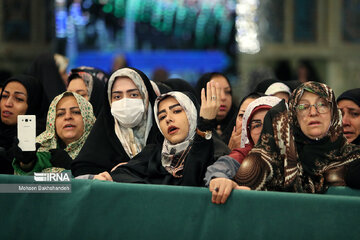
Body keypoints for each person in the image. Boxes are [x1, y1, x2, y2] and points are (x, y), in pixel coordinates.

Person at [233, 82, 360, 192]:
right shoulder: (271, 158)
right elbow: (242, 192)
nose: (313, 112)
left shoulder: (352, 157)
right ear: (293, 116)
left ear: (333, 113)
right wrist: (225, 183)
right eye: (303, 107)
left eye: (322, 105)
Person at [109, 81, 221, 186]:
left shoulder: (215, 152)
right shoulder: (154, 153)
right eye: (162, 117)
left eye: (177, 111)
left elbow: (191, 181)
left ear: (192, 114)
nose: (168, 119)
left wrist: (204, 126)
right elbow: (119, 174)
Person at [71, 67, 162, 178]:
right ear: (109, 101)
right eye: (117, 96)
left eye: (133, 95)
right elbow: (83, 170)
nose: (125, 102)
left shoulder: (164, 135)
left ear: (146, 97)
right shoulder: (101, 137)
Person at [206, 96, 282, 204]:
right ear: (249, 132)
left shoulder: (299, 152)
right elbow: (221, 167)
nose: (263, 130)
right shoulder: (246, 153)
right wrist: (220, 180)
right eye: (256, 125)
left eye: (269, 122)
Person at [12, 91, 95, 175]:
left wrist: (72, 167)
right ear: (52, 121)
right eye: (60, 114)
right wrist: (27, 163)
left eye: (76, 112)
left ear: (88, 117)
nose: (67, 117)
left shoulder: (100, 149)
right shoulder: (43, 146)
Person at [0, 75, 46, 174]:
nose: (8, 103)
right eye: (4, 96)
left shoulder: (43, 139)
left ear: (33, 104)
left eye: (19, 99)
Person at [195, 72, 237, 144]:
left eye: (227, 92)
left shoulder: (239, 127)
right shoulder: (191, 130)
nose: (223, 97)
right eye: (215, 92)